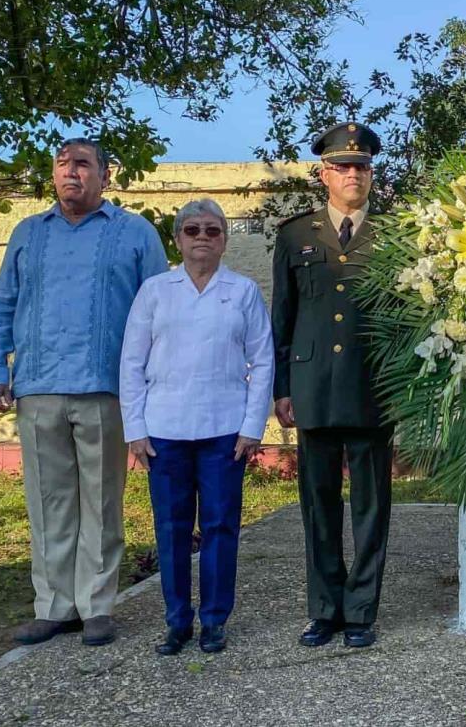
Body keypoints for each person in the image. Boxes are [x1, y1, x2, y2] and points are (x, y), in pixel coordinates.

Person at [0, 138, 169, 647]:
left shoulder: (134, 233)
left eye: (82, 164)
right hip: (38, 388)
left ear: (105, 176)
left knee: (102, 501)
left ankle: (97, 606)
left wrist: (153, 385)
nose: (71, 173)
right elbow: (3, 304)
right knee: (49, 500)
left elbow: (160, 313)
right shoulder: (27, 234)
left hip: (106, 389)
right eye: (63, 164)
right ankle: (54, 606)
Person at [119, 199, 273, 655]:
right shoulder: (155, 291)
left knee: (222, 525)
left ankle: (214, 621)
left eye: (212, 230)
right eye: (192, 230)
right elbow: (131, 362)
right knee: (171, 527)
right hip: (164, 429)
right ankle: (177, 621)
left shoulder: (242, 291)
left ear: (224, 239)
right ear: (178, 238)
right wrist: (135, 429)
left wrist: (252, 427)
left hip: (225, 430)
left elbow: (262, 361)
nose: (202, 237)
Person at [271, 121, 392, 649]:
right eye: (342, 166)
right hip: (313, 385)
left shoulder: (395, 234)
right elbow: (283, 317)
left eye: (361, 167)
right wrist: (281, 387)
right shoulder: (295, 235)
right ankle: (324, 609)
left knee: (370, 505)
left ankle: (361, 609)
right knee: (318, 505)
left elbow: (402, 319)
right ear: (324, 174)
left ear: (371, 174)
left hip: (371, 386)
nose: (352, 175)